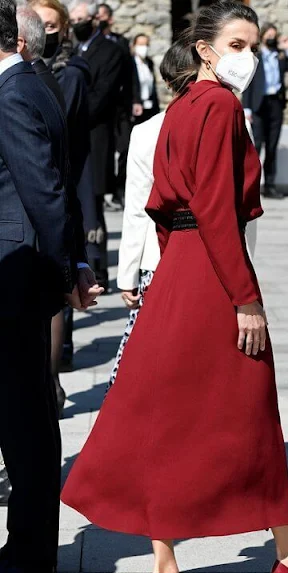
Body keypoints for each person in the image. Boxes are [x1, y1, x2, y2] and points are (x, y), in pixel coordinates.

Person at [62, 2, 288, 573]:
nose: (250, 54)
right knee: (254, 412)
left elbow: (163, 206)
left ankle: (170, 571)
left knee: (169, 420)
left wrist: (173, 275)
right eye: (238, 43)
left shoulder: (181, 109)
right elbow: (219, 209)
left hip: (180, 274)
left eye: (253, 43)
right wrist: (245, 296)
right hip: (216, 276)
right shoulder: (219, 106)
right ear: (207, 50)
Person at [0, 0, 101, 573]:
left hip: (14, 280)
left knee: (23, 423)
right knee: (30, 418)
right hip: (29, 274)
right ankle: (29, 549)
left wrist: (68, 267)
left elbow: (42, 186)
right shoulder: (37, 81)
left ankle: (30, 557)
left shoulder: (13, 93)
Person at [109, 39, 191, 387]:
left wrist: (127, 273)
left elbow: (138, 210)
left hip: (158, 259)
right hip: (217, 262)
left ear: (167, 81)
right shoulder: (238, 126)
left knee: (147, 355)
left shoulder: (145, 133)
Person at [29, 0, 99, 394]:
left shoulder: (62, 76)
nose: (47, 31)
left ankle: (51, 378)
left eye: (52, 25)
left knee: (57, 284)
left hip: (59, 187)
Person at [69, 0, 124, 291]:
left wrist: (68, 112)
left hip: (95, 139)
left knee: (94, 205)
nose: (77, 22)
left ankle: (98, 267)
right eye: (73, 18)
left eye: (81, 17)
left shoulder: (111, 51)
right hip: (73, 140)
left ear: (93, 20)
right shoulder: (73, 50)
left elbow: (101, 97)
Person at [242, 22, 288, 200]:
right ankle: (249, 186)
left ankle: (270, 185)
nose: (271, 39)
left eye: (274, 36)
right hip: (259, 104)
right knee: (257, 145)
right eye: (269, 36)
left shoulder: (280, 56)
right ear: (262, 37)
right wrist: (247, 108)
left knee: (272, 146)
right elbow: (248, 83)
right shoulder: (255, 56)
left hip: (276, 103)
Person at [97, 2, 134, 209]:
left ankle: (119, 189)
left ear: (110, 19)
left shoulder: (121, 43)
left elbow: (130, 75)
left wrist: (134, 99)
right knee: (103, 150)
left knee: (125, 147)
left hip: (120, 105)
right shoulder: (89, 44)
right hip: (102, 106)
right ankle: (103, 193)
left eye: (102, 16)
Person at [131, 33, 160, 125]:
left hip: (150, 106)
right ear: (134, 46)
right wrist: (135, 101)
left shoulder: (149, 63)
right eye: (140, 45)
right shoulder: (130, 63)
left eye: (146, 45)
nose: (144, 48)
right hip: (136, 107)